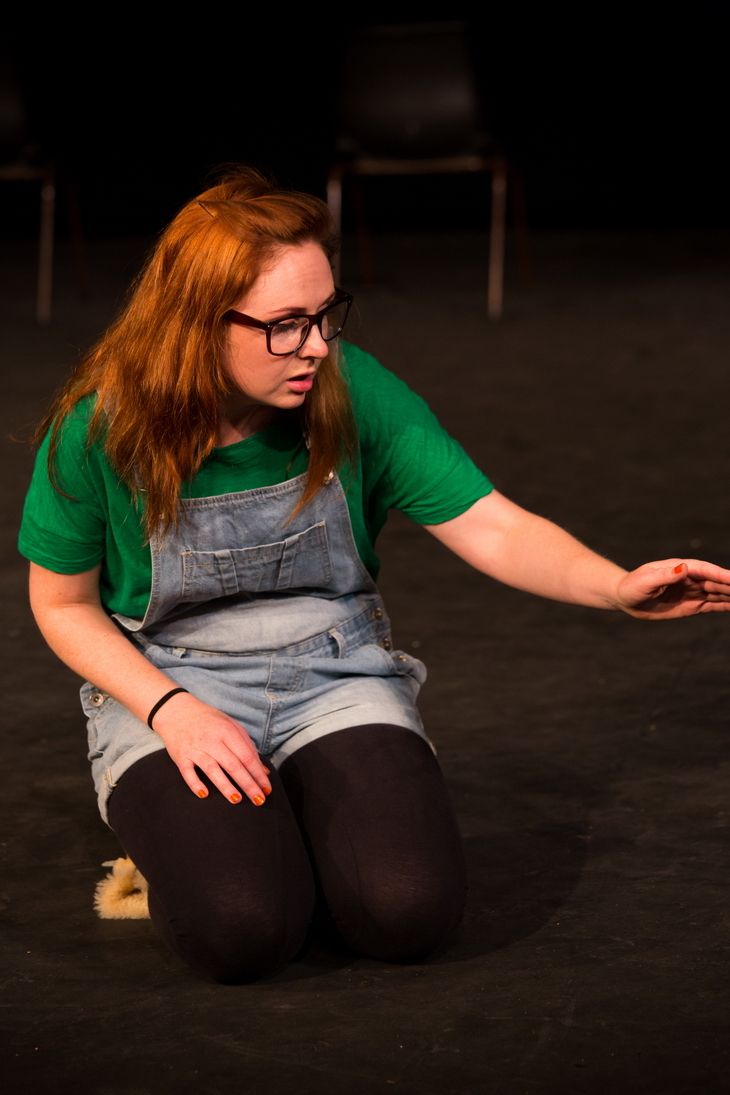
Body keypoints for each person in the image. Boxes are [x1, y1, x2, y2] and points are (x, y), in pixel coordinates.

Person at [17, 166, 730, 984]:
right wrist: (172, 712)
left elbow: (491, 524)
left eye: (325, 316)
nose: (317, 345)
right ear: (197, 325)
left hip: (331, 670)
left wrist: (614, 585)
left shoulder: (349, 392)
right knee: (240, 928)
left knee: (405, 909)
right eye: (287, 325)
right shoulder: (101, 430)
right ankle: (211, 839)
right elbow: (60, 603)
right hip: (170, 681)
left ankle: (286, 819)